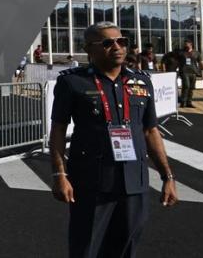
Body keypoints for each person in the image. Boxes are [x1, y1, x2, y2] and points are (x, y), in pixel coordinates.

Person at [51, 22, 178, 257]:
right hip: (92, 181)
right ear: (90, 49)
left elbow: (150, 131)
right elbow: (58, 130)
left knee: (125, 247)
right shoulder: (72, 82)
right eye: (108, 43)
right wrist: (60, 175)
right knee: (86, 247)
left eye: (122, 42)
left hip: (134, 180)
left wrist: (167, 176)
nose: (118, 47)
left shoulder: (141, 81)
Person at [169, 40, 203, 107]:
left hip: (193, 72)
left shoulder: (196, 53)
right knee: (186, 86)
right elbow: (176, 62)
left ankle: (189, 102)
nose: (185, 45)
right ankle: (183, 101)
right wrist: (173, 70)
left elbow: (200, 63)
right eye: (185, 44)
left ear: (191, 44)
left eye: (187, 44)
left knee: (191, 88)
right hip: (184, 71)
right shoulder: (181, 53)